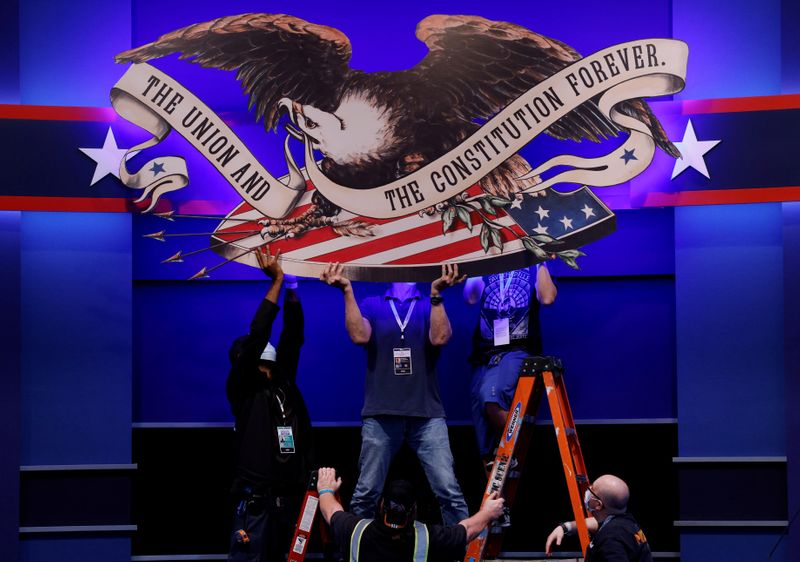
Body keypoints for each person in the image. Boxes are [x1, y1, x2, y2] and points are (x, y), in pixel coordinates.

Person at [320, 262, 469, 525]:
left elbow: (440, 338)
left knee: (449, 492)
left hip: (426, 415)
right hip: (380, 414)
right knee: (366, 493)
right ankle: (358, 551)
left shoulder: (426, 303)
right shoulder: (373, 304)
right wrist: (347, 291)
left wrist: (436, 296)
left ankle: (464, 552)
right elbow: (359, 336)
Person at [226, 248, 313, 562]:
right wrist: (275, 281)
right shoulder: (243, 387)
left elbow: (293, 337)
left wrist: (292, 288)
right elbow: (259, 331)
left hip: (290, 496)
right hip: (256, 501)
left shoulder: (283, 383)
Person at [463, 262, 557, 464]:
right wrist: (478, 260)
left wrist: (540, 260)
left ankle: (513, 451)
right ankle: (494, 481)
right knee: (482, 426)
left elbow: (548, 298)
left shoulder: (532, 266)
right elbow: (470, 298)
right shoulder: (487, 265)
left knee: (491, 398)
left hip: (516, 349)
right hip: (485, 351)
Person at [315, 466, 505, 562]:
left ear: (381, 506)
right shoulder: (428, 539)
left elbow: (330, 510)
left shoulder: (356, 531)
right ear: (414, 510)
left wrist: (325, 489)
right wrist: (488, 512)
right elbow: (467, 530)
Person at [545, 474, 653, 562]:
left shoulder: (611, 540)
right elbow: (597, 523)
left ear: (598, 504)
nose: (588, 489)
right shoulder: (625, 522)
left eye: (592, 489)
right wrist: (566, 527)